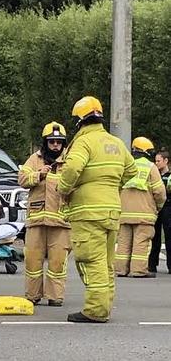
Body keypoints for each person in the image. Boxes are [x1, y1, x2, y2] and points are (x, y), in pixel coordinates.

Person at [57, 96, 137, 323]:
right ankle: (104, 307)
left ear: (80, 121)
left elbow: (72, 168)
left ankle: (95, 311)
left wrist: (64, 189)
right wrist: (112, 185)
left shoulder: (84, 142)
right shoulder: (116, 143)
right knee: (106, 263)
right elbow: (131, 171)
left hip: (88, 211)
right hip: (111, 210)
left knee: (91, 261)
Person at [18, 121, 71, 307]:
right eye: (52, 141)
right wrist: (38, 174)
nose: (55, 145)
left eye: (59, 141)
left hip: (61, 221)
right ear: (45, 142)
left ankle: (55, 296)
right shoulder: (35, 159)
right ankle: (33, 295)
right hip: (37, 219)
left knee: (58, 262)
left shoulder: (71, 160)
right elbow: (22, 179)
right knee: (33, 260)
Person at [115, 137, 166, 278]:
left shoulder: (125, 166)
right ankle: (138, 270)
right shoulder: (150, 167)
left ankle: (121, 269)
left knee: (124, 243)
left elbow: (117, 188)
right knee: (141, 242)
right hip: (144, 213)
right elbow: (160, 192)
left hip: (124, 213)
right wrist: (158, 206)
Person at [149, 148, 171, 273]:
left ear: (166, 161)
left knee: (169, 237)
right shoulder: (154, 175)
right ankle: (152, 265)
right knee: (154, 236)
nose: (156, 163)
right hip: (156, 208)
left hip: (168, 207)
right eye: (155, 161)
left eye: (159, 161)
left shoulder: (170, 176)